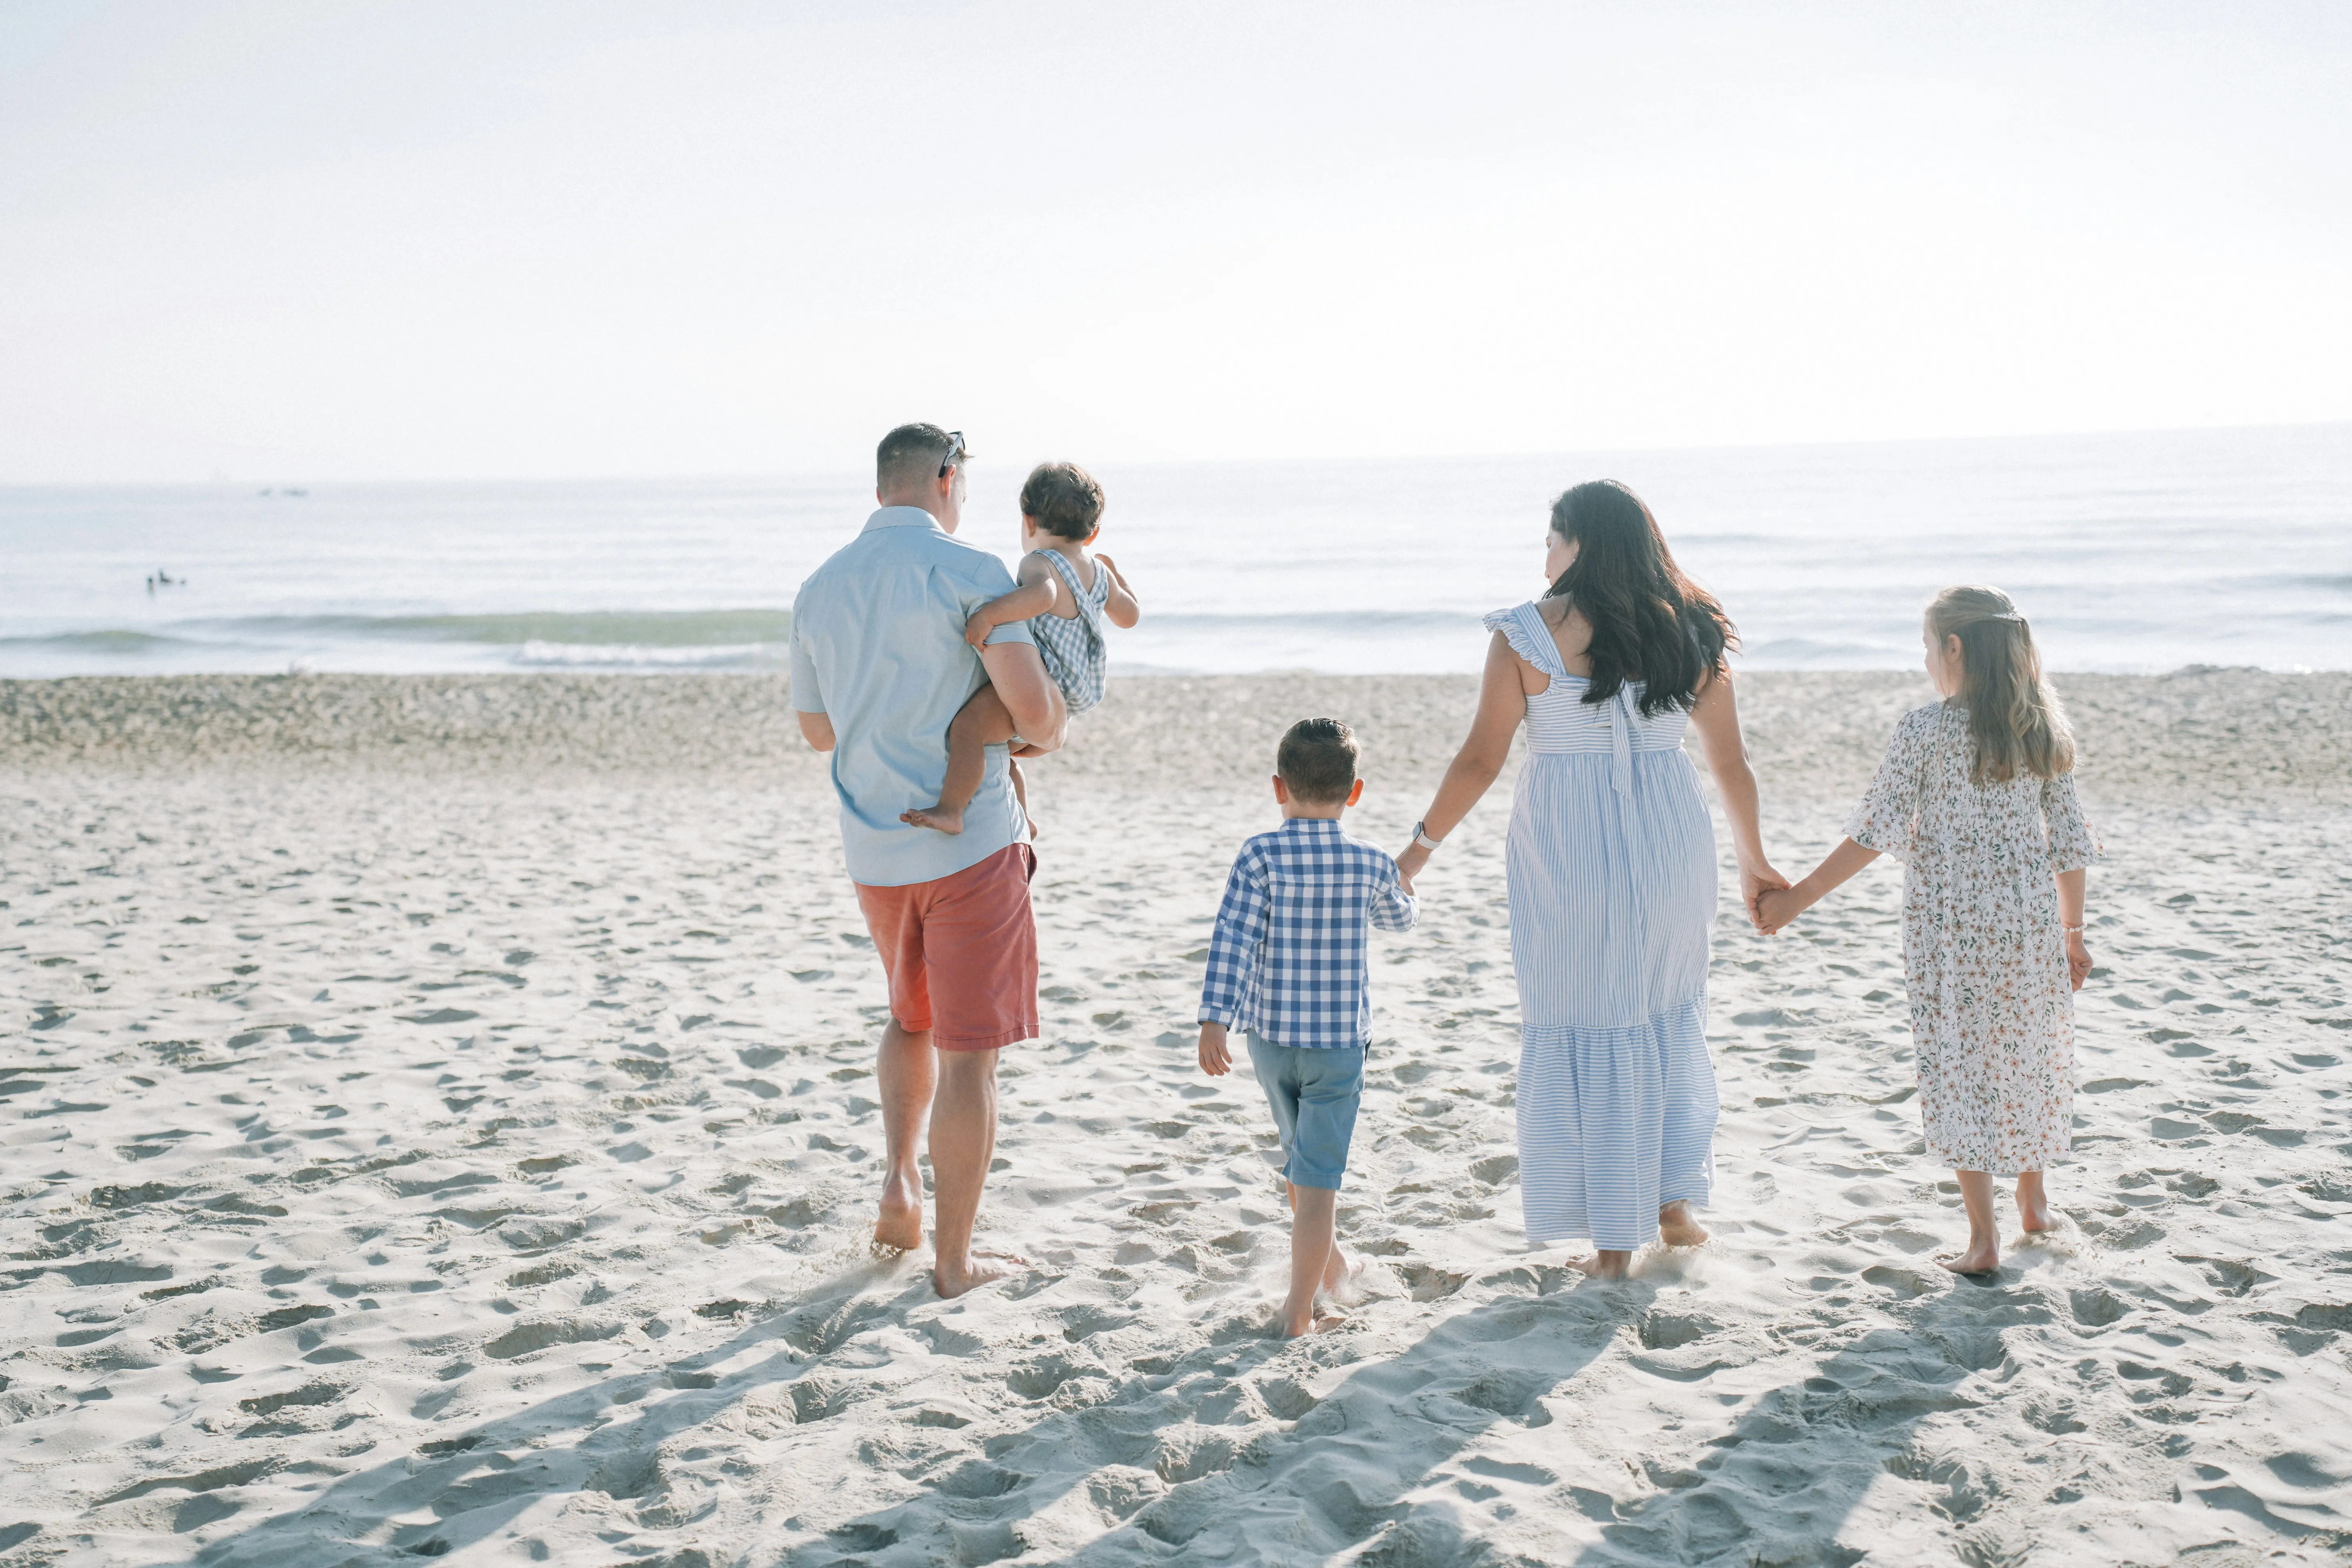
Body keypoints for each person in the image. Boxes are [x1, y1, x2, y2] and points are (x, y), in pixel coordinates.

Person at [1394, 480, 1783, 1280]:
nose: (1544, 557)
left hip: (1568, 852)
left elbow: (1480, 759)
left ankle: (1613, 1249)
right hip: (1672, 845)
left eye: (1551, 539)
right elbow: (1731, 766)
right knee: (1661, 1013)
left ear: (1580, 542)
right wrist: (1755, 862)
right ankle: (1672, 1207)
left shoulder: (1527, 635)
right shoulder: (1693, 628)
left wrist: (1416, 852)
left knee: (1590, 1020)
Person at [789, 424, 1068, 1298]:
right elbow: (1036, 717)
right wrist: (1041, 724)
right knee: (971, 1055)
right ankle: (953, 1262)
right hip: (971, 846)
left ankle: (899, 1184)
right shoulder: (972, 572)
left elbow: (817, 731)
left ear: (883, 486)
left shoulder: (819, 588)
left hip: (873, 848)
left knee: (909, 1018)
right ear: (947, 479)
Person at [1756, 586, 2098, 1276]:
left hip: (1948, 934)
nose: (1924, 663)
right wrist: (2072, 932)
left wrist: (1798, 899)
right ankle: (2032, 1203)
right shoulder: (2042, 730)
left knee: (1961, 1068)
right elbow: (2067, 843)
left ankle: (1982, 1241)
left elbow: (1870, 832)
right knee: (2024, 1054)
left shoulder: (1926, 730)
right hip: (2028, 926)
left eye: (1925, 647)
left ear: (1954, 649)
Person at [1195, 718, 1416, 1336]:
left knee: (1300, 1163)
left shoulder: (1259, 854)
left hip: (1268, 1041)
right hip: (1338, 1048)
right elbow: (1400, 919)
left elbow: (1231, 939)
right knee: (1316, 1182)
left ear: (1278, 787)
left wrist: (1214, 1021)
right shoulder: (1369, 862)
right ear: (1354, 792)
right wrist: (1406, 880)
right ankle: (1298, 1313)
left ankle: (1331, 1266)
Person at [903, 461, 1141, 835]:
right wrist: (1114, 574)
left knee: (968, 729)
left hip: (1042, 683)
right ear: (1092, 533)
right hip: (1075, 693)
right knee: (1002, 755)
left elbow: (1042, 596)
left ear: (1028, 521)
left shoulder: (1039, 562)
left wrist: (990, 615)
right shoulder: (1098, 572)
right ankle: (1024, 820)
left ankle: (951, 809)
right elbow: (1130, 616)